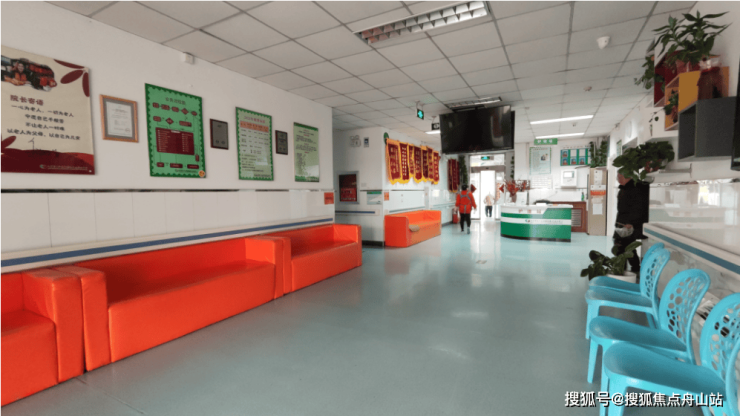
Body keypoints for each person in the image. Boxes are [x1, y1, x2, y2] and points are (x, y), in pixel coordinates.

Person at [614, 173, 650, 278]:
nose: (618, 179)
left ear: (628, 176)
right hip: (622, 222)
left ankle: (632, 269)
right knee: (623, 246)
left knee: (625, 247)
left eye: (620, 176)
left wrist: (631, 223)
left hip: (629, 224)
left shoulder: (635, 188)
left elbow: (638, 208)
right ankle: (625, 269)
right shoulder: (624, 188)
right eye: (618, 177)